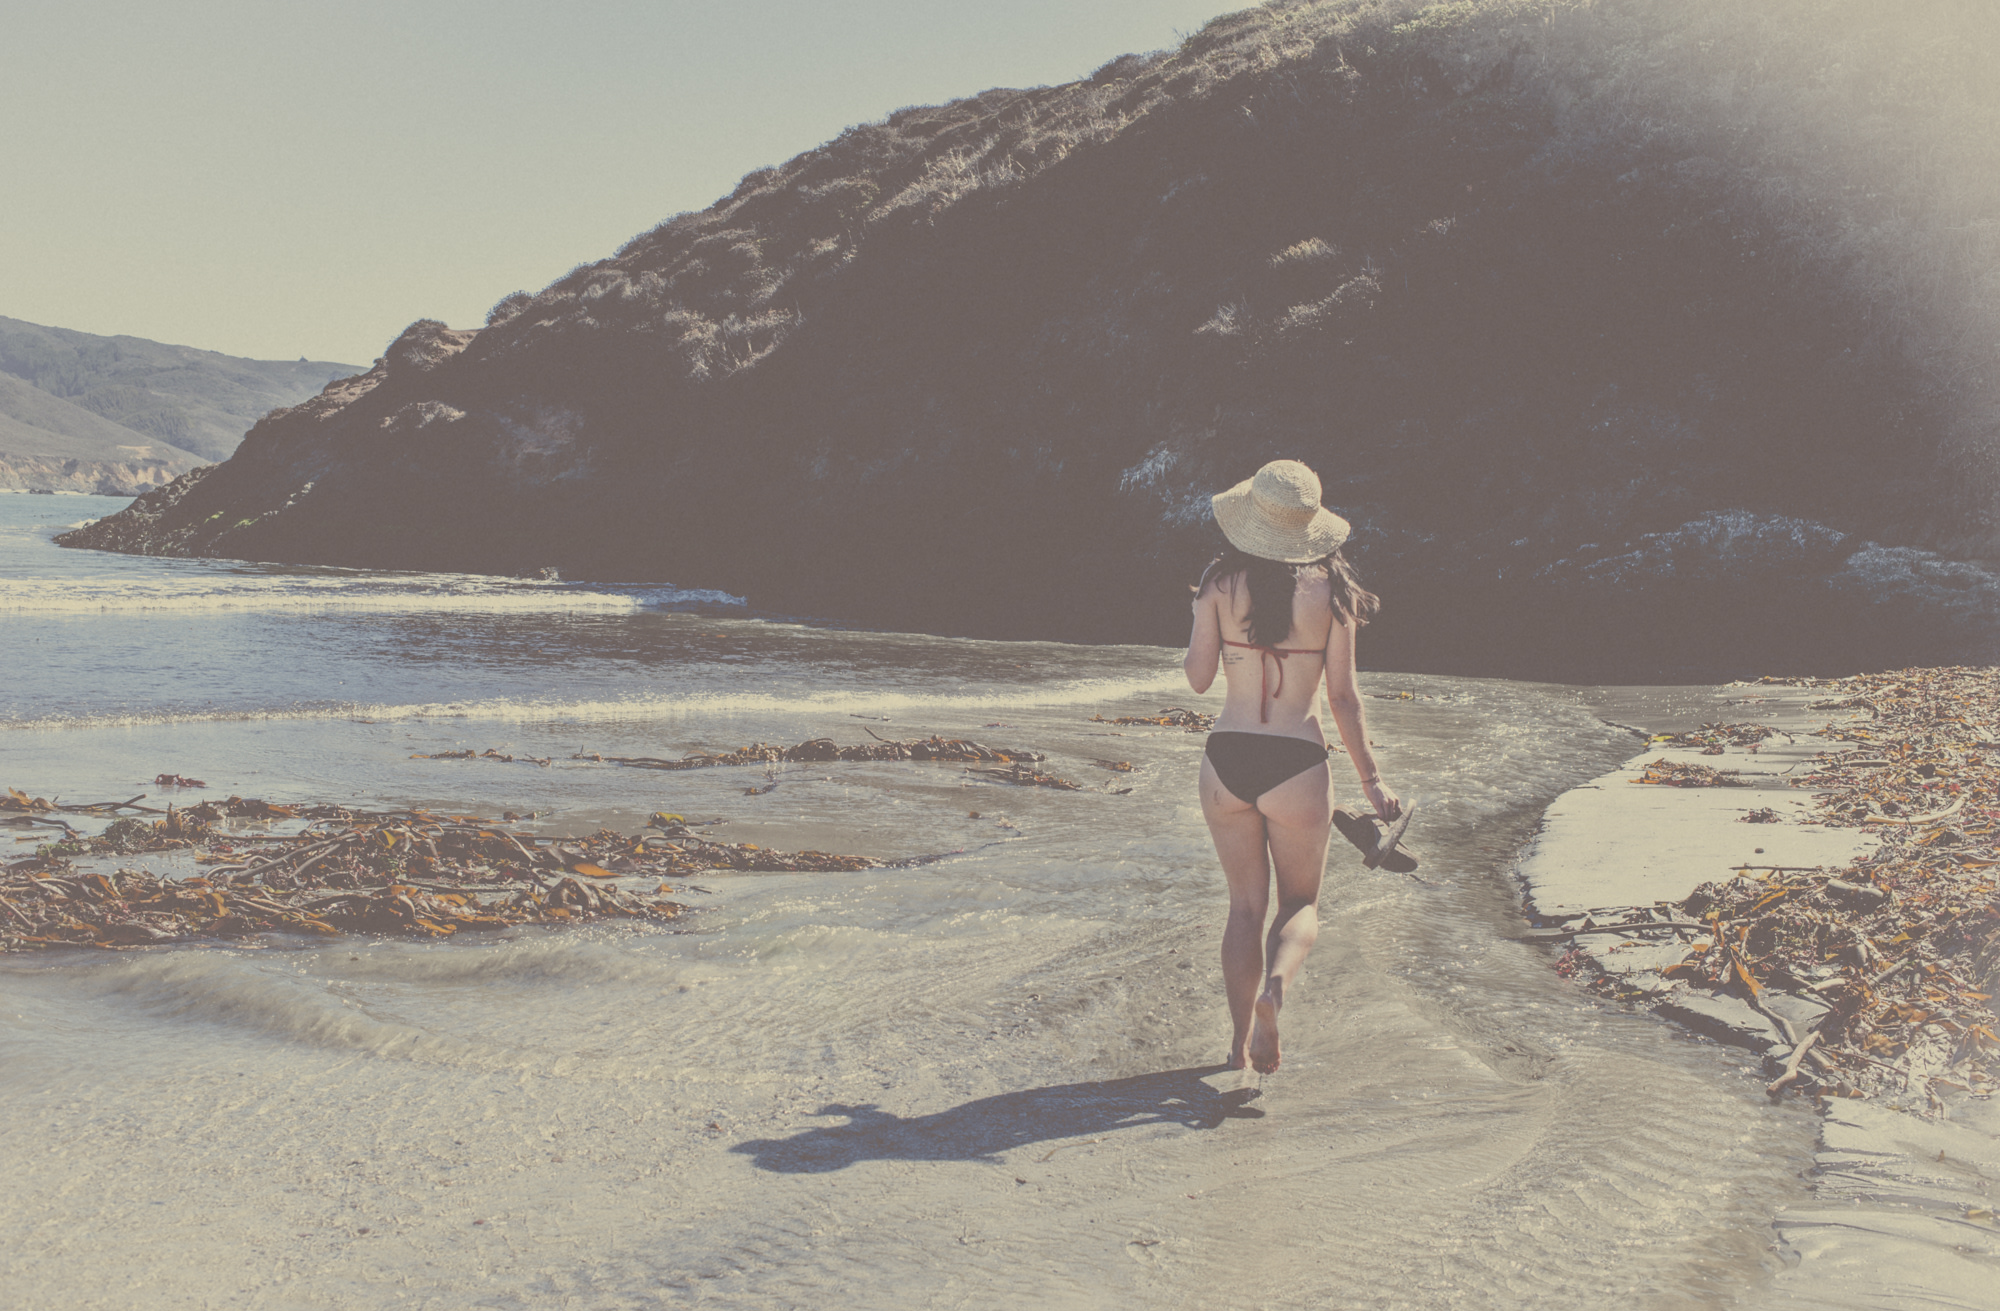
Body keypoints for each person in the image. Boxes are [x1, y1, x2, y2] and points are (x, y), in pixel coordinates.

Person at [1183, 459, 1400, 1073]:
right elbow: (1342, 698)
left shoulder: (1217, 582)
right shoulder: (1332, 594)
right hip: (1297, 762)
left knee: (1243, 910)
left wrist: (1207, 615)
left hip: (1227, 760)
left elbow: (1199, 680)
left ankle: (1235, 1048)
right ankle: (1274, 989)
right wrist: (1371, 781)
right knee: (1299, 905)